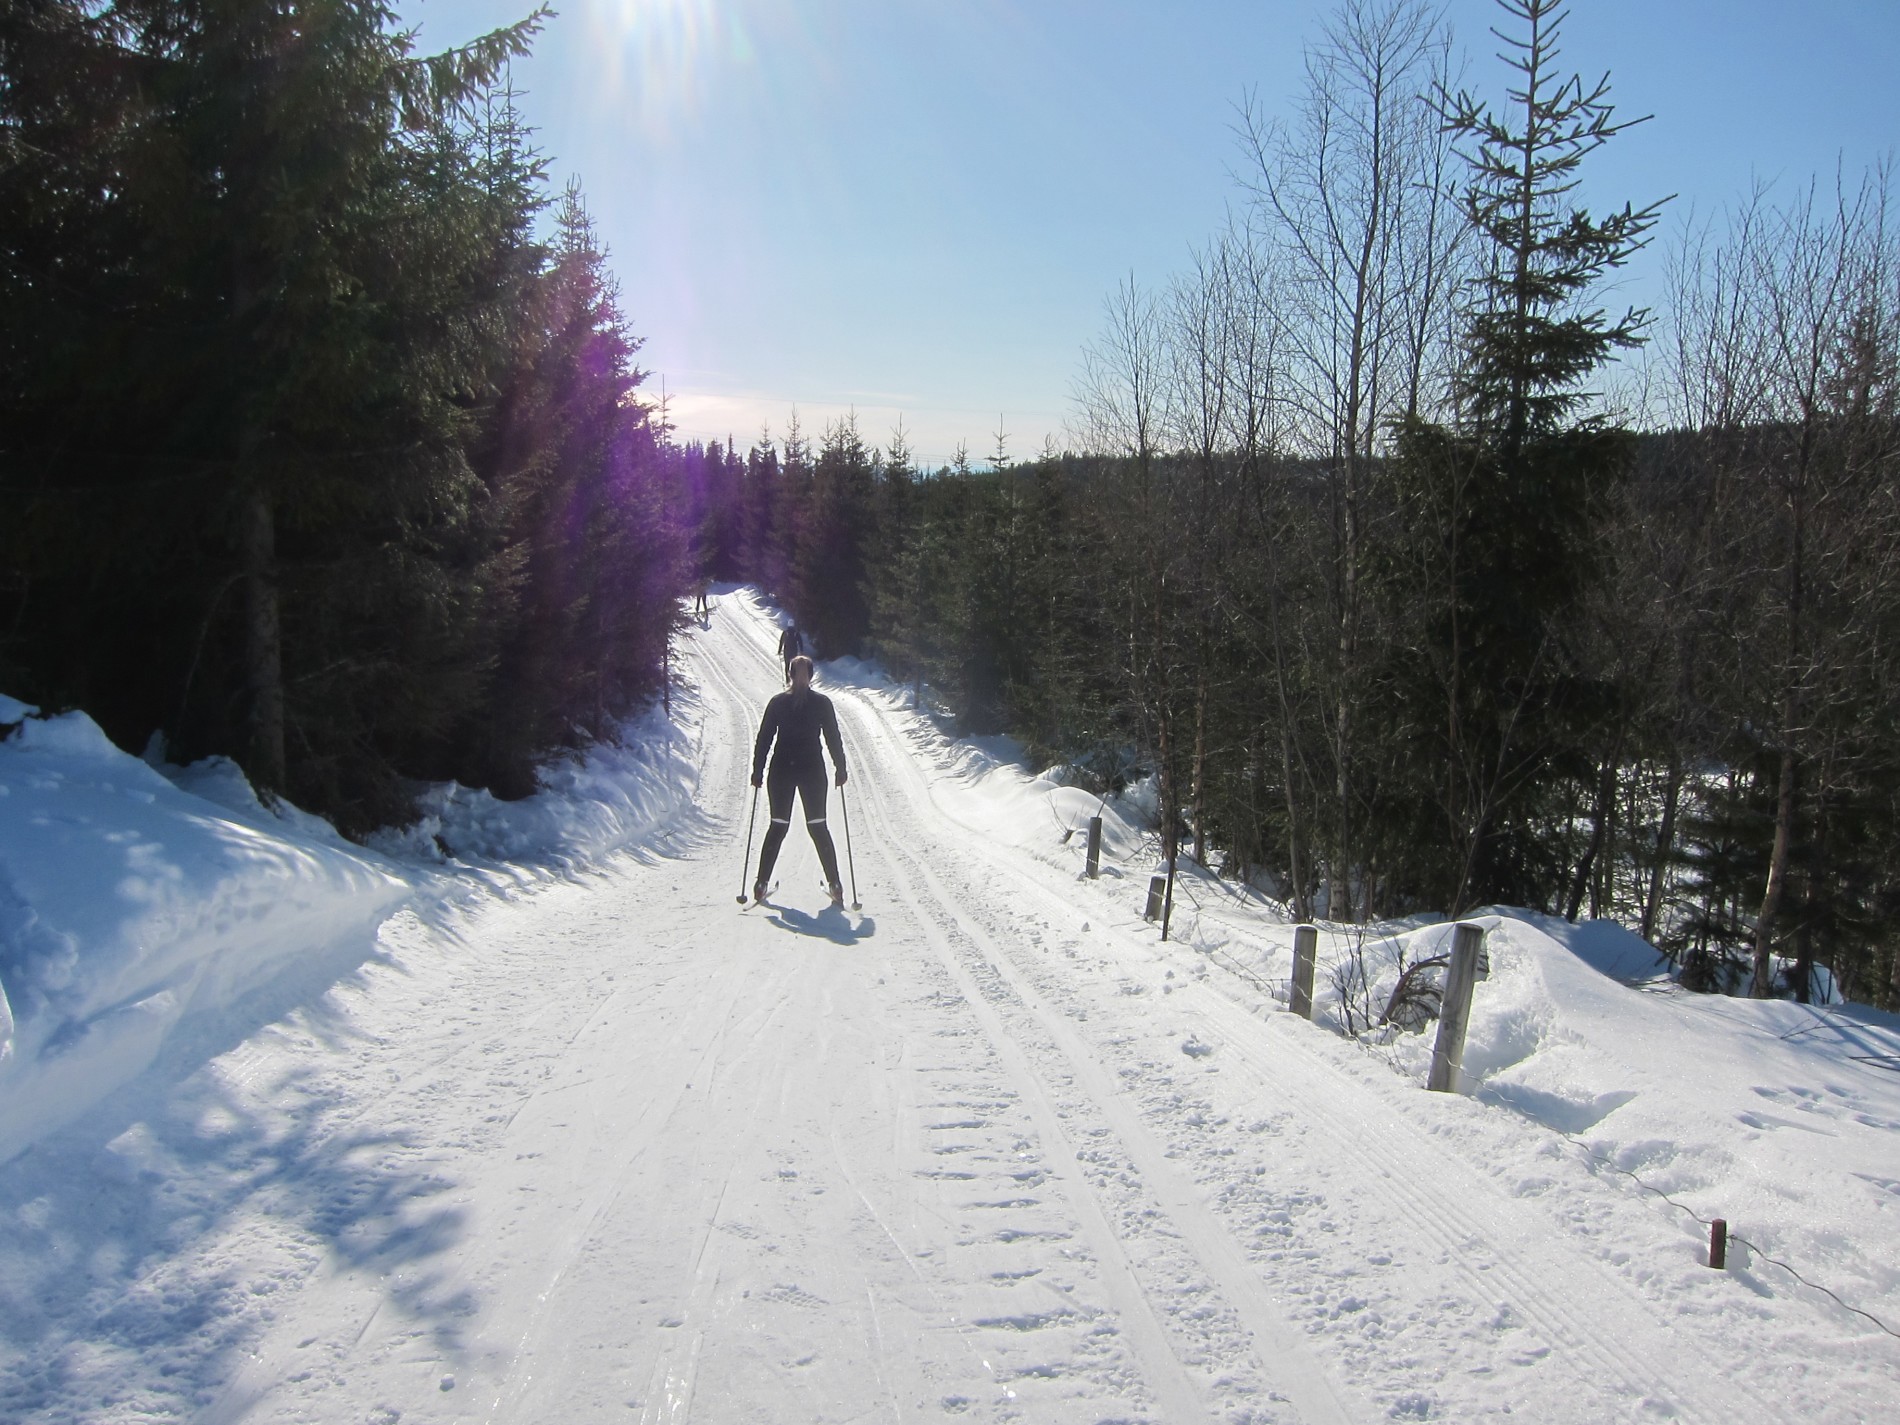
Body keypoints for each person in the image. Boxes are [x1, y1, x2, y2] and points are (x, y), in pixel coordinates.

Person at [750, 654, 847, 906]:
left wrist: (757, 771)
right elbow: (833, 737)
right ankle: (835, 885)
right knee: (818, 827)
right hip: (812, 771)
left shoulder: (778, 703)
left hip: (781, 770)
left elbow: (764, 738)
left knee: (778, 826)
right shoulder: (822, 703)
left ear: (789, 674)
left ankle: (761, 884)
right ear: (812, 675)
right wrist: (840, 767)